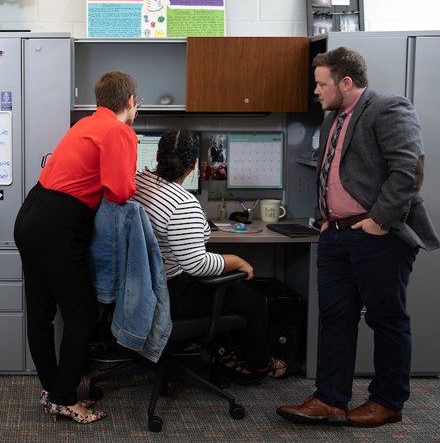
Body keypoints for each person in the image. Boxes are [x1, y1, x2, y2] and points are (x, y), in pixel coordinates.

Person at [277, 47, 439, 427]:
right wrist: (324, 217)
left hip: (376, 235)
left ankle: (388, 401)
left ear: (345, 82)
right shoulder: (333, 119)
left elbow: (408, 171)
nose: (316, 91)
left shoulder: (388, 108)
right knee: (335, 318)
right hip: (335, 235)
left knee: (386, 319)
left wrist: (379, 221)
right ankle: (330, 399)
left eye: (321, 84)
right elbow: (335, 170)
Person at [14, 71, 141, 424]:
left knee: (40, 312)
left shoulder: (85, 124)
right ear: (130, 102)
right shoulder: (120, 130)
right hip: (57, 224)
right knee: (82, 313)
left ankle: (53, 389)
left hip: (30, 214)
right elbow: (120, 191)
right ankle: (65, 398)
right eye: (136, 103)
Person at [132, 128, 298, 385]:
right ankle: (261, 362)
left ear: (157, 155)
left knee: (225, 290)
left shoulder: (137, 182)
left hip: (139, 288)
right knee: (243, 297)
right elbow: (197, 265)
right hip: (167, 295)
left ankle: (226, 357)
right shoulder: (182, 203)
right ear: (194, 164)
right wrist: (237, 261)